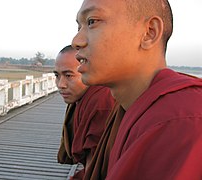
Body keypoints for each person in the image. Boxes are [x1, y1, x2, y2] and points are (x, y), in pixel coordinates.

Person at [72, 0, 202, 179]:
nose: (76, 41)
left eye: (92, 21)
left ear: (149, 33)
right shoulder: (128, 105)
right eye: (79, 27)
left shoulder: (182, 120)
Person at [54, 45, 115, 179]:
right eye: (57, 75)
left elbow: (96, 169)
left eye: (68, 75)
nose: (60, 84)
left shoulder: (101, 104)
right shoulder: (82, 99)